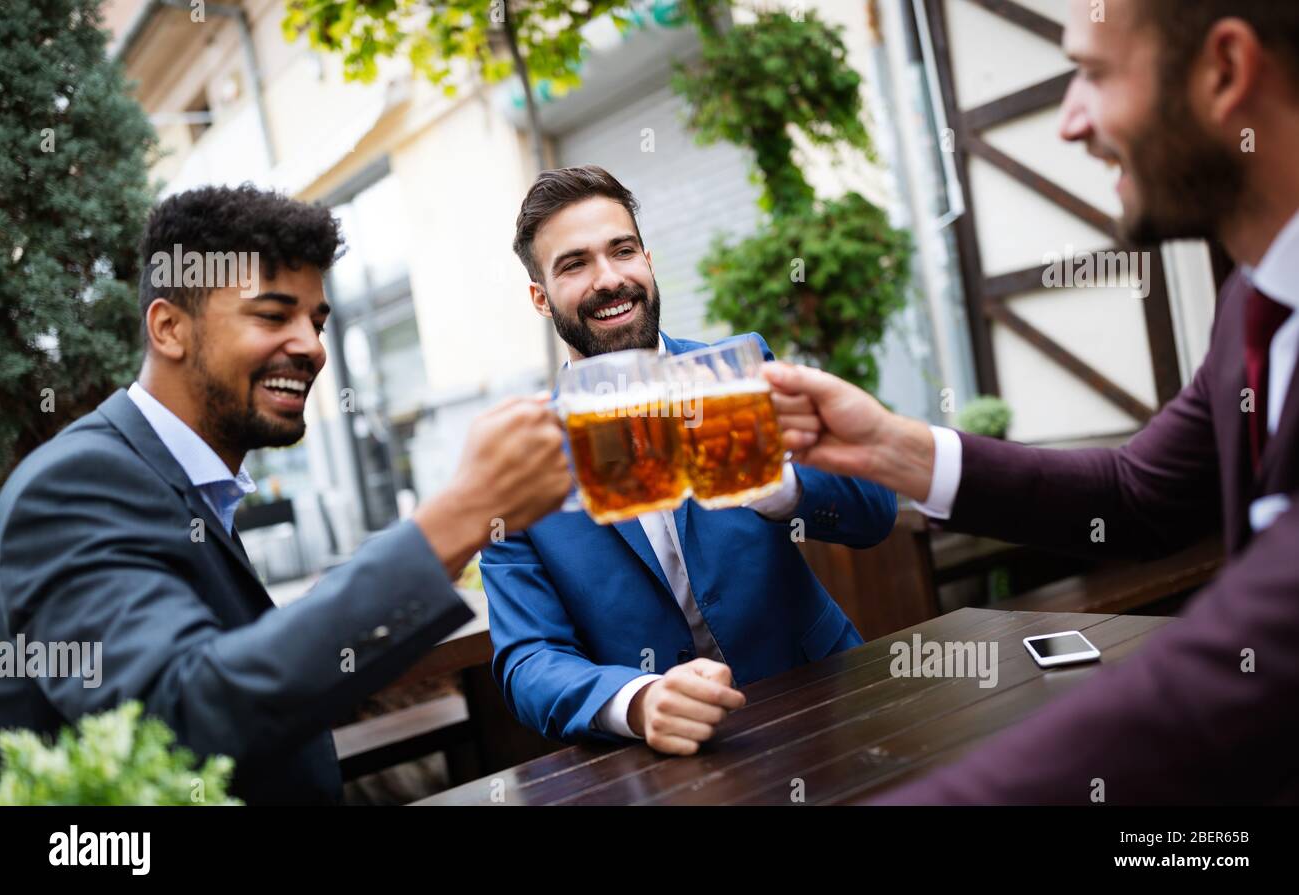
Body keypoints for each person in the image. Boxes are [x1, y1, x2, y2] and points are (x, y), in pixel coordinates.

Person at [761, 0, 1299, 804]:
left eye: (1092, 72)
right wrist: (890, 447)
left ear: (1224, 71)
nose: (1069, 122)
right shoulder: (1251, 307)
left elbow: (1231, 675)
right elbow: (1136, 493)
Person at [0, 184, 571, 804]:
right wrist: (459, 516)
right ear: (168, 328)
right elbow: (184, 714)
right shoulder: (78, 483)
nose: (311, 346)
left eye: (317, 321)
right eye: (272, 315)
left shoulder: (186, 478)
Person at [482, 165, 897, 755]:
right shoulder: (512, 469)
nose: (608, 279)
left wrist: (781, 489)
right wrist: (636, 701)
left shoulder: (743, 372)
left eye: (622, 251)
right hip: (666, 766)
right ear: (540, 299)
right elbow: (527, 659)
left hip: (829, 707)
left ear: (647, 261)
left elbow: (874, 512)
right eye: (574, 264)